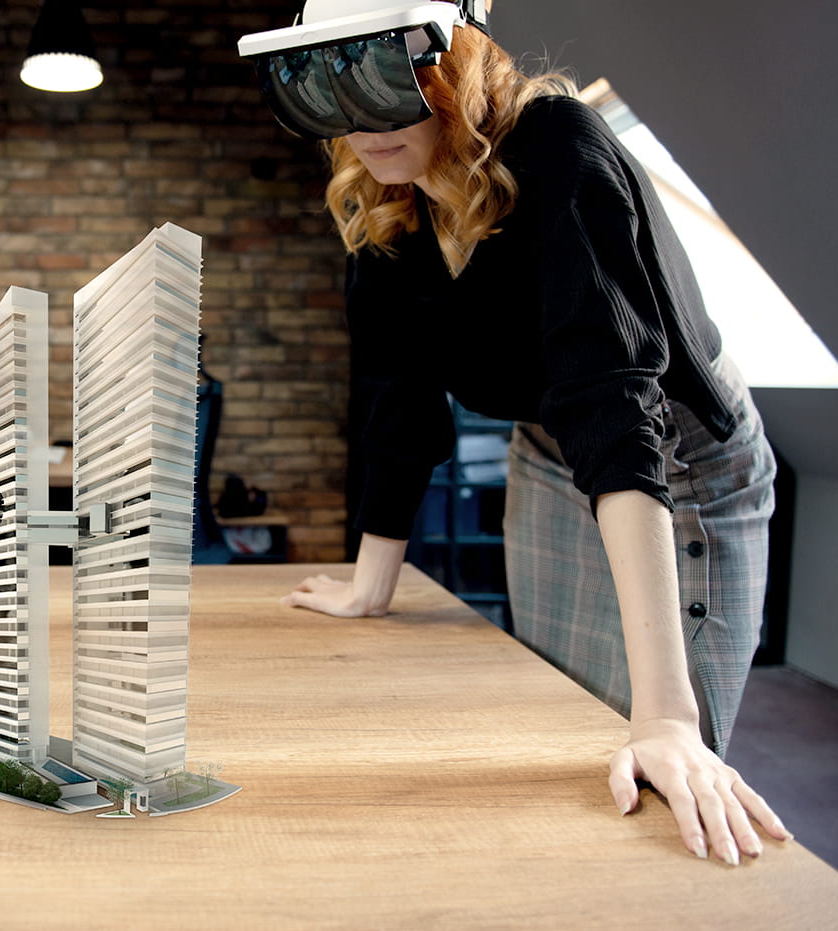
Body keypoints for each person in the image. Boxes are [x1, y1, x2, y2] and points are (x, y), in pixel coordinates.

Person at [239, 0, 790, 864]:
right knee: (566, 726)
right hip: (550, 454)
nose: (363, 123)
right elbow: (398, 398)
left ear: (456, 59)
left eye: (387, 72)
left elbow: (614, 400)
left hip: (677, 462)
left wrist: (669, 717)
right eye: (328, 85)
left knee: (661, 763)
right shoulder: (383, 203)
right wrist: (368, 585)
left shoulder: (559, 146)